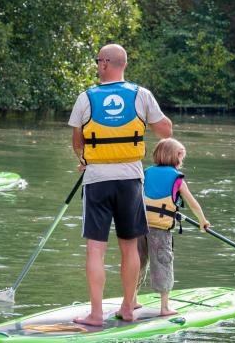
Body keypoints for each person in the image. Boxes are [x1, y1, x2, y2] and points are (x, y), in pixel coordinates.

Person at [68, 44, 173, 326]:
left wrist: (86, 158)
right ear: (123, 64)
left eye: (98, 61)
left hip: (97, 181)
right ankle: (127, 308)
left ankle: (96, 314)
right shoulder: (142, 95)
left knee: (95, 249)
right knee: (129, 247)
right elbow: (166, 130)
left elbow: (77, 143)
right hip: (130, 181)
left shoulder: (86, 97)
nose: (97, 65)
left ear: (104, 64)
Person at [137, 138, 211, 316]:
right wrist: (202, 220)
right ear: (176, 156)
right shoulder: (176, 178)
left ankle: (131, 301)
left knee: (138, 262)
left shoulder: (146, 172)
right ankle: (164, 307)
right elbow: (192, 203)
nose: (182, 160)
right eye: (182, 156)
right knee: (163, 263)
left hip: (139, 225)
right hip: (160, 230)